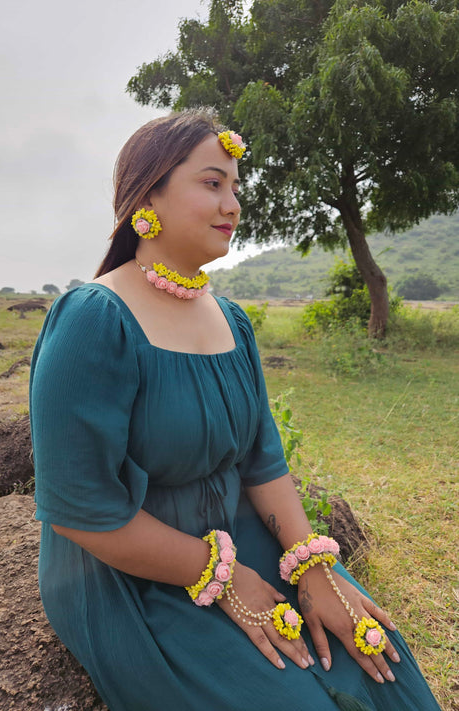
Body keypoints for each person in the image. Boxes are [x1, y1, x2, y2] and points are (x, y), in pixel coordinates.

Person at [29, 110, 441, 711]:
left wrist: (310, 567)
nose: (233, 205)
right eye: (212, 183)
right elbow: (78, 511)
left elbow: (263, 462)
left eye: (237, 189)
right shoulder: (95, 319)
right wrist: (220, 575)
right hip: (129, 571)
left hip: (241, 533)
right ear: (149, 196)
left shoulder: (233, 321)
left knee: (382, 666)